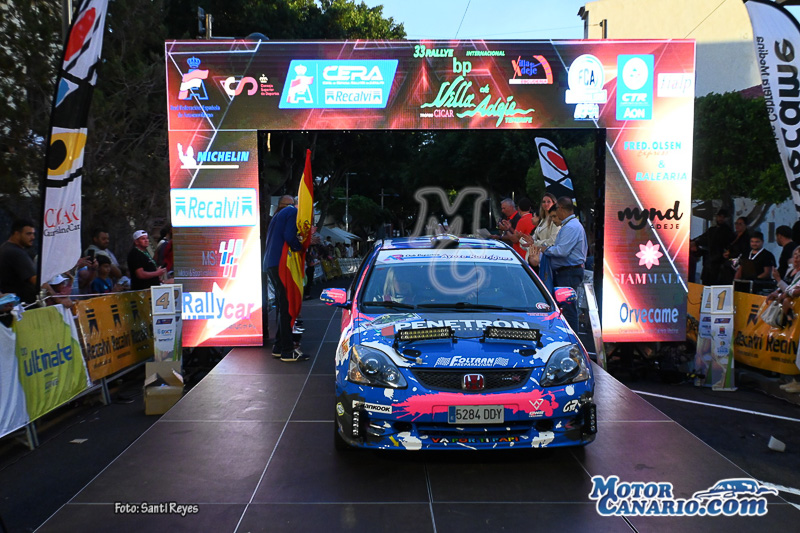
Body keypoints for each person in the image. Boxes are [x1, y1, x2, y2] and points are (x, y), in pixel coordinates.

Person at [264, 195, 308, 362]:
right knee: (287, 307)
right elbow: (289, 236)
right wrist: (300, 246)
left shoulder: (279, 215)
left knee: (283, 305)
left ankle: (279, 346)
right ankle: (287, 351)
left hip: (271, 263)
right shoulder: (292, 212)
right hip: (280, 264)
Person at [541, 197, 587, 332]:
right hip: (568, 271)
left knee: (568, 309)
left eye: (556, 210)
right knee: (566, 308)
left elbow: (562, 251)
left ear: (560, 208)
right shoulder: (570, 225)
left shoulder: (571, 227)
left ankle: (572, 338)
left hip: (568, 272)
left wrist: (546, 250)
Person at [0, 219, 38, 305]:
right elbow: (36, 280)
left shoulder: (7, 249)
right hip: (21, 307)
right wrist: (57, 298)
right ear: (17, 234)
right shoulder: (15, 252)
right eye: (28, 234)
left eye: (33, 234)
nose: (33, 237)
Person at [691, 208, 734, 286]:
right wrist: (694, 243)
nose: (721, 219)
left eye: (723, 217)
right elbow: (702, 238)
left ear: (726, 218)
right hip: (708, 264)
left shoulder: (728, 232)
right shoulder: (711, 230)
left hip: (719, 266)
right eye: (719, 216)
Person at [720, 217, 750, 284]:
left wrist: (730, 254)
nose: (737, 226)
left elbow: (744, 253)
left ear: (745, 225)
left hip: (737, 265)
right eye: (736, 223)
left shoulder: (746, 238)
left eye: (740, 224)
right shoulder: (733, 236)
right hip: (729, 264)